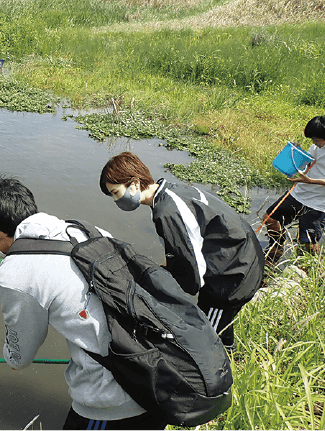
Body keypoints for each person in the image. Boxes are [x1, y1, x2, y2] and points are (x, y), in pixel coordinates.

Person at [0, 176, 166, 431]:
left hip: (116, 400)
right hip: (160, 372)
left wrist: (9, 349)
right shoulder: (83, 230)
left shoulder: (13, 273)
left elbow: (19, 358)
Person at [99, 152, 264, 352]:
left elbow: (190, 274)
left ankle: (226, 370)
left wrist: (156, 286)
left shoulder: (167, 212)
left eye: (116, 192)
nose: (116, 200)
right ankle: (232, 355)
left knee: (209, 341)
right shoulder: (169, 191)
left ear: (134, 183)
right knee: (219, 326)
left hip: (232, 277)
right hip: (243, 255)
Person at [262, 115, 325, 258]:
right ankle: (276, 247)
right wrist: (297, 153)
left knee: (308, 244)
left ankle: (307, 272)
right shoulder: (316, 146)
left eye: (317, 139)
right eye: (312, 139)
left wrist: (311, 181)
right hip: (299, 193)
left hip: (317, 203)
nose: (314, 142)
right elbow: (308, 161)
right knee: (270, 219)